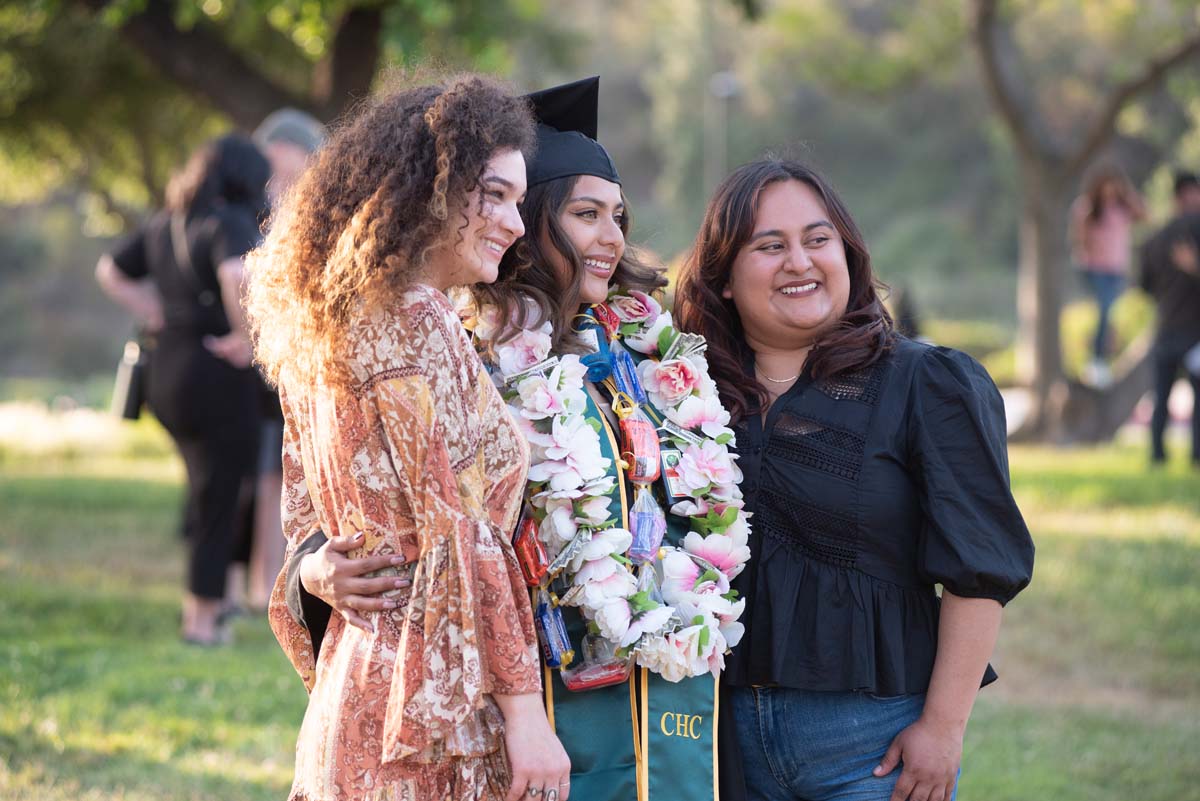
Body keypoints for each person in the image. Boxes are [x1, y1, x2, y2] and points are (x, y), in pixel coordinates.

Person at [283, 77, 750, 801]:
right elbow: (409, 523)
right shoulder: (460, 334)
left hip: (585, 695)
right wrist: (314, 569)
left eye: (619, 216)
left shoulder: (643, 362)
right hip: (475, 695)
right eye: (586, 213)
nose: (613, 237)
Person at [243, 74, 569, 801]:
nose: (516, 224)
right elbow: (461, 531)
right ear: (431, 190)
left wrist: (316, 571)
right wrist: (525, 714)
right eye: (496, 195)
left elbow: (305, 521)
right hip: (428, 706)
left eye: (519, 201)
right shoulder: (419, 318)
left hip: (353, 681)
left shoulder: (324, 324)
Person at [675, 158, 1035, 801]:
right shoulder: (685, 392)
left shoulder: (925, 382)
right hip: (715, 743)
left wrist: (943, 729)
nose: (800, 262)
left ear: (847, 253)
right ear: (724, 277)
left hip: (871, 748)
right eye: (770, 246)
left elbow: (981, 569)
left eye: (818, 239)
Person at [96, 134, 269, 645]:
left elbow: (110, 271)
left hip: (167, 369)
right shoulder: (229, 220)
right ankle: (201, 622)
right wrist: (247, 337)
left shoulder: (165, 222)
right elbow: (236, 274)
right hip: (215, 370)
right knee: (219, 497)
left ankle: (213, 602)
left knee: (203, 491)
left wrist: (154, 310)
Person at [229, 108, 328, 613]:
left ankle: (270, 584)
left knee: (280, 479)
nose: (279, 187)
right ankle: (246, 583)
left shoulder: (318, 221)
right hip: (247, 369)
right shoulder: (241, 213)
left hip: (295, 366)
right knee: (247, 479)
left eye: (290, 175)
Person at [1138, 170, 1200, 467]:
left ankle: (1157, 454)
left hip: (1167, 326)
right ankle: (1192, 455)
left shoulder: (1156, 239)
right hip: (1192, 330)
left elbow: (1144, 286)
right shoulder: (1192, 229)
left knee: (1161, 395)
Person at [1068, 163, 1146, 385]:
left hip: (1117, 269)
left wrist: (1128, 193)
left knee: (1109, 313)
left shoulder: (1122, 208)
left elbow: (1145, 214)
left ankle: (1102, 356)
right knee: (1104, 310)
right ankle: (1097, 359)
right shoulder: (1086, 208)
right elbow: (1079, 240)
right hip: (1095, 268)